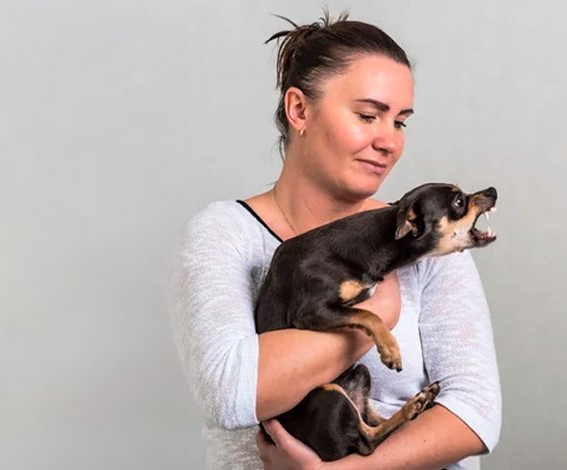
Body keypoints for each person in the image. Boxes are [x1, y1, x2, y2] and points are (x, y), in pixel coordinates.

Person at [168, 12, 501, 470]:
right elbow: (231, 394)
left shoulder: (422, 237)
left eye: (400, 122)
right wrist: (374, 315)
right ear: (299, 110)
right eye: (368, 116)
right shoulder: (226, 234)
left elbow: (475, 413)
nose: (389, 142)